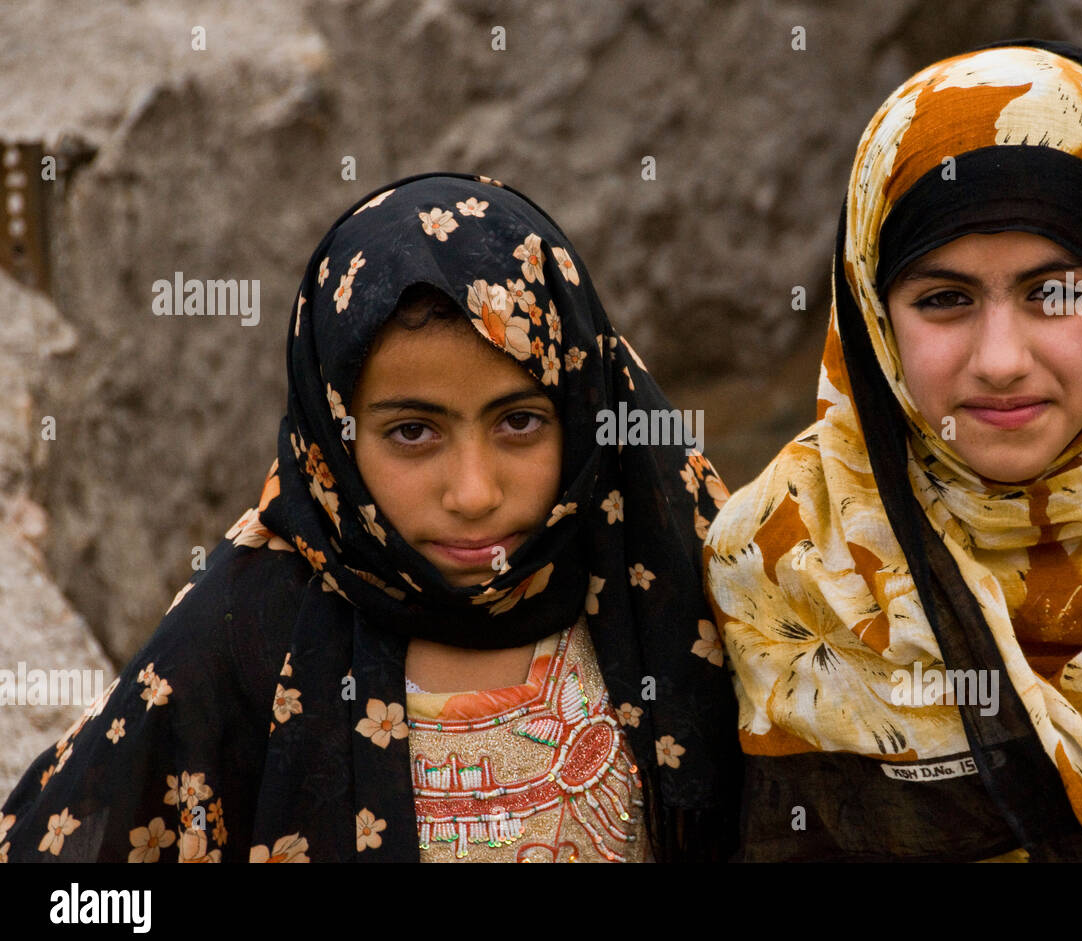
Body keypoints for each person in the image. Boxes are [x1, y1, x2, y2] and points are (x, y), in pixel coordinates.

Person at [0, 173, 738, 863]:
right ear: (334, 435)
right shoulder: (242, 636)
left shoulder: (670, 578)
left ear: (581, 412)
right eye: (413, 432)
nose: (474, 492)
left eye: (518, 422)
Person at [705, 40, 1082, 862]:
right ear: (875, 318)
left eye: (1053, 292)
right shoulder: (777, 557)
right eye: (944, 299)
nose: (999, 359)